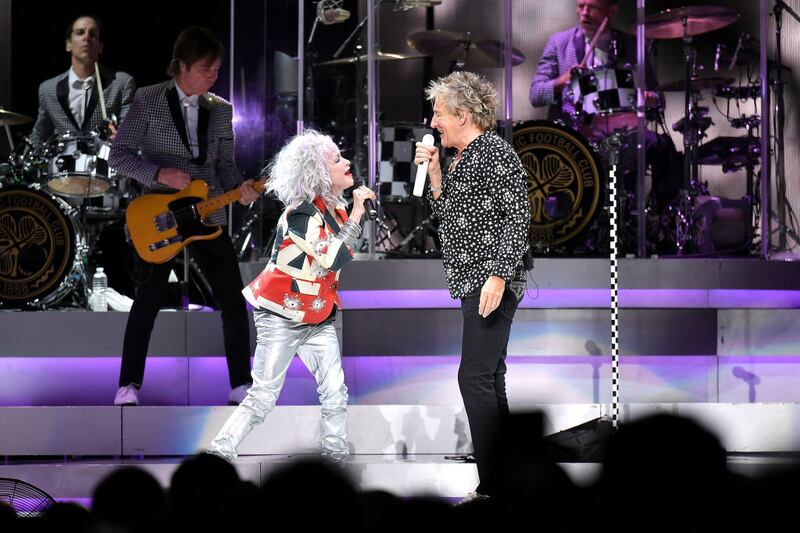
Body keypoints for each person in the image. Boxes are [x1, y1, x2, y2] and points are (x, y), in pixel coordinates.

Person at [109, 26, 258, 406]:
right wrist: (159, 174)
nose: (214, 75)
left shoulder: (221, 109)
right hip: (160, 213)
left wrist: (241, 190)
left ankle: (241, 383)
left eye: (218, 69)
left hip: (208, 215)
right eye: (207, 68)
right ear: (182, 66)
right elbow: (119, 155)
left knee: (232, 296)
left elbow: (225, 166)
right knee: (149, 298)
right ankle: (128, 384)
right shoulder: (147, 99)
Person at [209, 129, 375, 463]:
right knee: (264, 395)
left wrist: (352, 214)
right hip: (282, 314)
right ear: (316, 173)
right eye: (336, 159)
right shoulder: (301, 214)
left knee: (334, 391)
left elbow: (334, 262)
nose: (346, 163)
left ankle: (335, 457)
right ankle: (219, 452)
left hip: (318, 314)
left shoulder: (337, 214)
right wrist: (358, 212)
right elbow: (331, 258)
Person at [414, 71, 530, 501]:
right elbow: (451, 216)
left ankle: (495, 486)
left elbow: (519, 215)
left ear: (462, 115)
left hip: (490, 278)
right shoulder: (467, 156)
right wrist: (436, 171)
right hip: (474, 278)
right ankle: (504, 481)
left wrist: (498, 276)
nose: (433, 121)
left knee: (474, 376)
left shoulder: (494, 152)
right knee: (490, 375)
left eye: (439, 113)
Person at [530, 0, 681, 217]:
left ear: (611, 11)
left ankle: (659, 219)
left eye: (592, 7)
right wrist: (563, 80)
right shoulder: (559, 43)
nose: (584, 13)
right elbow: (535, 94)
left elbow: (660, 97)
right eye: (580, 6)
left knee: (662, 147)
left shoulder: (632, 45)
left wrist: (650, 98)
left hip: (623, 133)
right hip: (576, 132)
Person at [29, 14, 135, 146]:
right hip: (63, 163)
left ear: (100, 46)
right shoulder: (48, 88)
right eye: (80, 33)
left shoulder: (121, 82)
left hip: (104, 162)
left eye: (93, 34)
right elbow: (40, 133)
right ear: (68, 45)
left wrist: (121, 136)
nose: (86, 38)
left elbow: (131, 129)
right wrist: (22, 163)